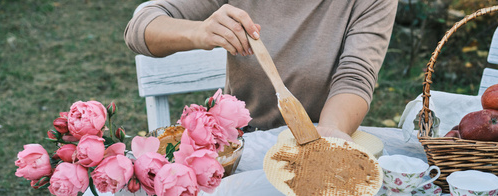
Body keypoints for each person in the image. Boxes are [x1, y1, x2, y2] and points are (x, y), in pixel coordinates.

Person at [125, 0, 397, 141]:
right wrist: (200, 31)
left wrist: (329, 134)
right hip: (240, 143)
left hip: (317, 137)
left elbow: (355, 75)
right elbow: (140, 29)